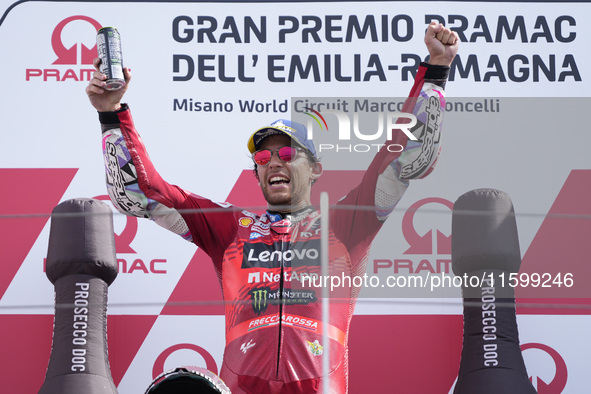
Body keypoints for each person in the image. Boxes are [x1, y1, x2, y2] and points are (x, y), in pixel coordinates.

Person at [86, 21, 459, 394]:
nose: (274, 162)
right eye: (263, 156)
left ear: (315, 169)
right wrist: (111, 112)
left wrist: (435, 71)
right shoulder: (231, 227)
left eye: (286, 153)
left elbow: (404, 158)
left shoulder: (346, 222)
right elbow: (141, 193)